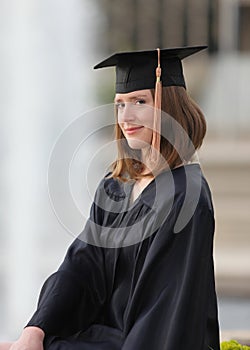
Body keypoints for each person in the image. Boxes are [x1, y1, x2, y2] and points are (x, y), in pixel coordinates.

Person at [0, 46, 220, 350]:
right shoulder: (117, 185)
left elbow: (165, 312)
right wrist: (37, 328)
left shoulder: (186, 195)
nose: (126, 116)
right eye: (119, 104)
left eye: (139, 101)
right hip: (110, 339)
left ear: (168, 108)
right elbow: (83, 263)